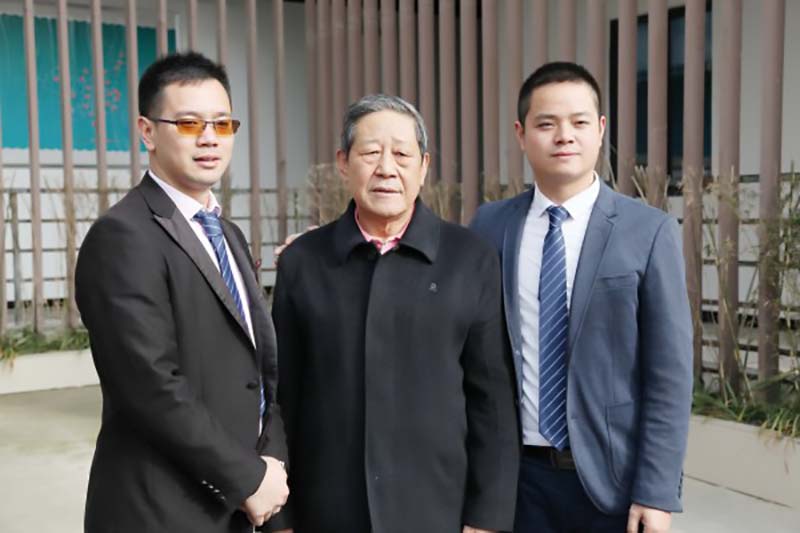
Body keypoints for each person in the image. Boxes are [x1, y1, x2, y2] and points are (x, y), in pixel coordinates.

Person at [271, 94, 520, 533]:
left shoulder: (470, 258)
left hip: (437, 511)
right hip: (327, 510)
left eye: (402, 155)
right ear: (344, 163)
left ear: (423, 167)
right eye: (370, 153)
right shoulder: (303, 262)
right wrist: (282, 519)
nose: (387, 168)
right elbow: (281, 397)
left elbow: (493, 402)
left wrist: (486, 519)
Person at [469, 62, 693, 533]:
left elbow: (669, 374)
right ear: (521, 133)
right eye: (546, 124)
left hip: (612, 486)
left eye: (579, 122)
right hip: (517, 483)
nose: (564, 136)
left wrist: (656, 491)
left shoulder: (648, 231)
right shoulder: (490, 226)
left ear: (601, 129)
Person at [76, 52, 290, 533]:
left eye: (222, 123)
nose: (210, 138)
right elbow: (149, 385)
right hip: (161, 509)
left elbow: (258, 369)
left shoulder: (227, 234)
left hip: (236, 505)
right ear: (147, 131)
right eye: (189, 123)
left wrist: (271, 461)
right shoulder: (123, 236)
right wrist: (248, 478)